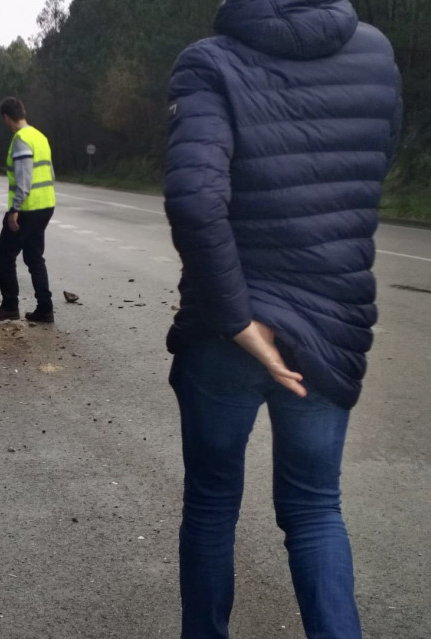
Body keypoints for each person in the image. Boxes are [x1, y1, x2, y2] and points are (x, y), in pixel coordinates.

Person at [163, 1, 401, 638]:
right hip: (331, 327)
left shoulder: (210, 62)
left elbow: (194, 200)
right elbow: (374, 161)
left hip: (226, 334)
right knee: (317, 509)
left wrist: (240, 322)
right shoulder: (376, 54)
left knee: (212, 506)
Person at [0, 97, 56, 323]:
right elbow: (51, 174)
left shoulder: (21, 140)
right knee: (34, 257)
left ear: (6, 117)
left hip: (27, 208)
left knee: (4, 255)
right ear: (23, 113)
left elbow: (24, 179)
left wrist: (14, 210)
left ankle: (10, 306)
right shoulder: (40, 136)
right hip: (45, 205)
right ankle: (45, 309)